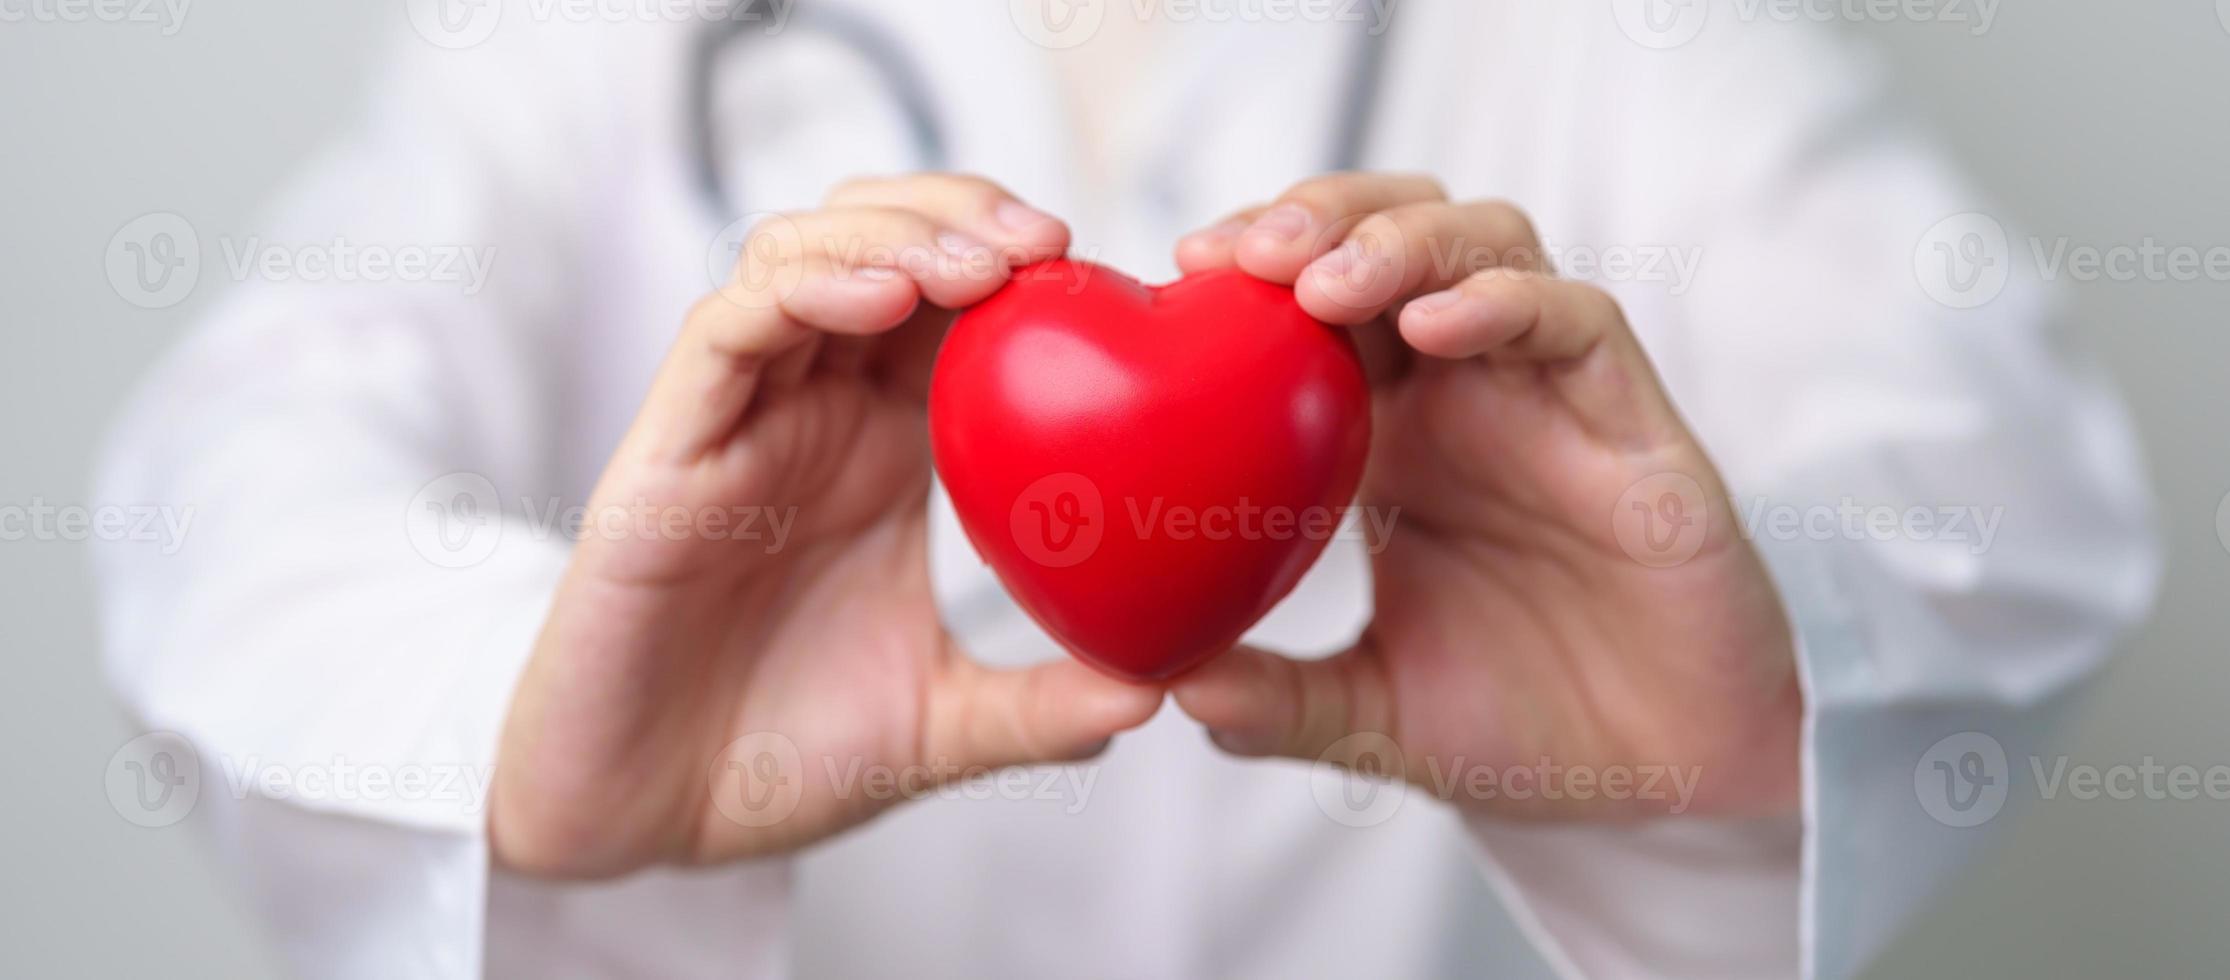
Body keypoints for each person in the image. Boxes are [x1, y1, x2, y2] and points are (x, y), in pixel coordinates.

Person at [91, 2, 2157, 977]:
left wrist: (1767, 664)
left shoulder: (1626, 39)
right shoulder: (584, 46)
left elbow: (2012, 476)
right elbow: (222, 476)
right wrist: (523, 720)